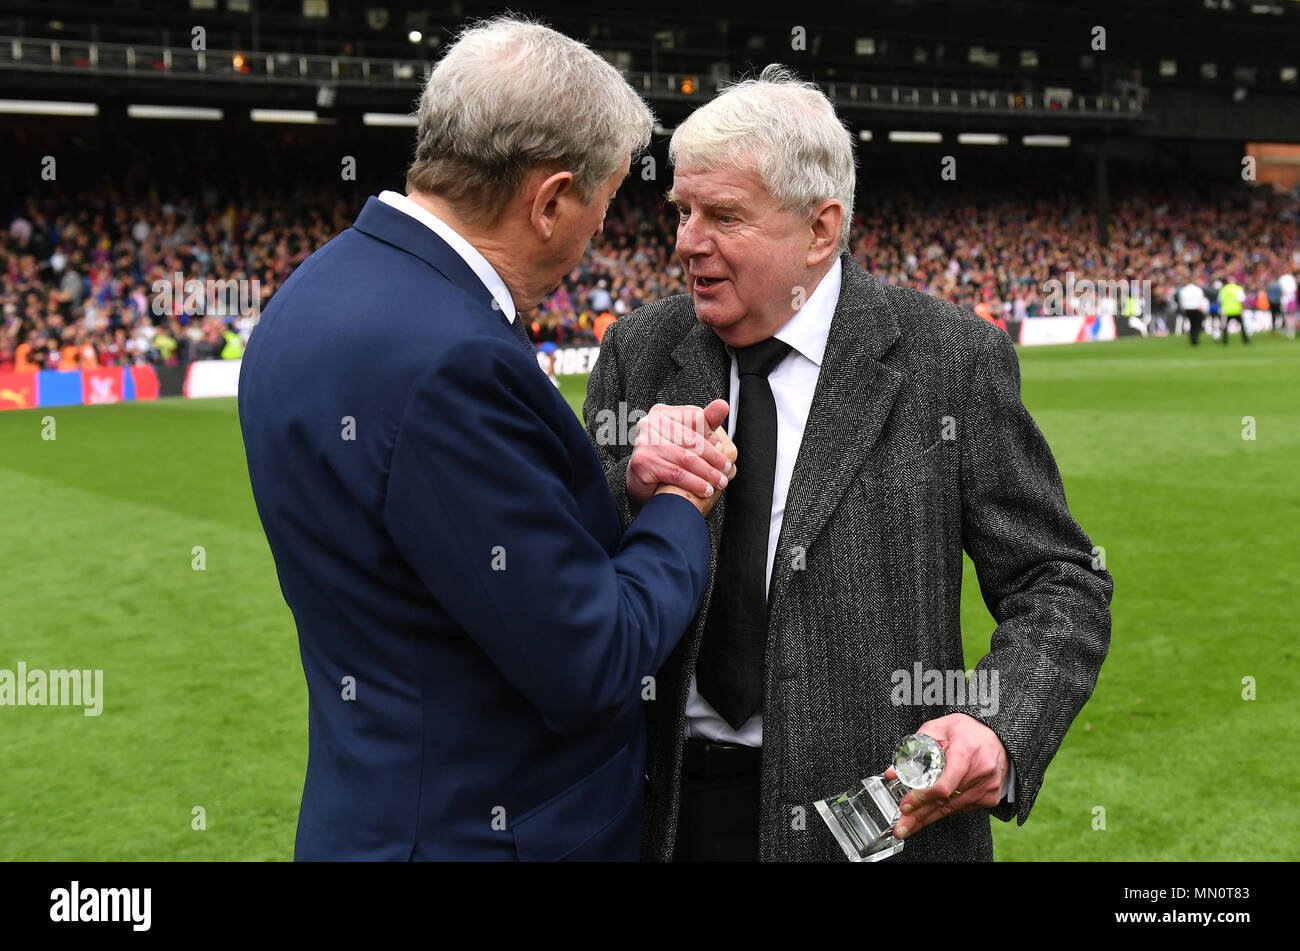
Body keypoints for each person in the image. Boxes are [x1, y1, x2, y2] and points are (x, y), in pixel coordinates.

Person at [238, 16, 737, 861]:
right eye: (605, 202)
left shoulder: (307, 294)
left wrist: (627, 486)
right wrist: (681, 508)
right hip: (479, 833)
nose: (598, 237)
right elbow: (592, 658)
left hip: (370, 812)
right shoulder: (457, 359)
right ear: (549, 200)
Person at [584, 65, 1113, 861]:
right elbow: (570, 563)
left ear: (821, 229)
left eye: (723, 214)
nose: (688, 241)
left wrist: (997, 724)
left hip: (876, 826)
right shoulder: (641, 347)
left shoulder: (951, 359)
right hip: (667, 817)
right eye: (683, 211)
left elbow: (1058, 580)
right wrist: (625, 481)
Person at [1178, 276, 1208, 346]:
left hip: (1187, 309)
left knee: (1192, 323)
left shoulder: (1183, 290)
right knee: (1197, 324)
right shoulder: (1198, 289)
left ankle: (1192, 336)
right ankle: (1195, 337)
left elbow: (1181, 300)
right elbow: (1202, 300)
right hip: (1196, 309)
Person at [1217, 277, 1248, 345]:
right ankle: (1246, 340)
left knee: (1225, 327)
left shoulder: (1223, 289)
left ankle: (1225, 341)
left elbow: (1220, 301)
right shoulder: (1237, 288)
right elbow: (1241, 300)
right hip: (1236, 310)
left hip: (1227, 310)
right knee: (1242, 326)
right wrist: (1241, 309)